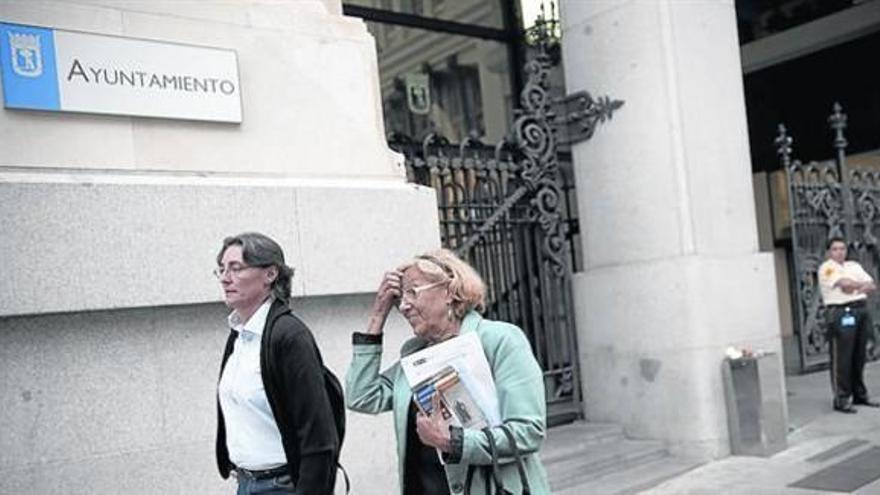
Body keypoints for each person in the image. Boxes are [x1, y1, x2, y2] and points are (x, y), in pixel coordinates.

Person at [345, 249, 551, 495]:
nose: (404, 306)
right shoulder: (414, 356)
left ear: (450, 291)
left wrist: (452, 442)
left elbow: (528, 433)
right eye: (400, 297)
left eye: (412, 292)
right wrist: (378, 314)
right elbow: (361, 396)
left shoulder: (500, 340)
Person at [214, 232, 339, 494]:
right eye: (222, 269)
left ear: (270, 274)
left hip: (281, 486)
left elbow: (319, 436)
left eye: (236, 268)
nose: (225, 278)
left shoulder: (289, 336)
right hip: (246, 483)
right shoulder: (239, 335)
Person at [817, 236, 880, 414]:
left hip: (860, 310)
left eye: (843, 248)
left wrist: (855, 287)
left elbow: (872, 285)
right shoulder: (828, 268)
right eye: (835, 249)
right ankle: (842, 398)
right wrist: (859, 286)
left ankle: (859, 394)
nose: (840, 252)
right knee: (842, 358)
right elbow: (844, 284)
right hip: (840, 312)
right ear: (829, 251)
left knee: (859, 355)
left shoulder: (854, 266)